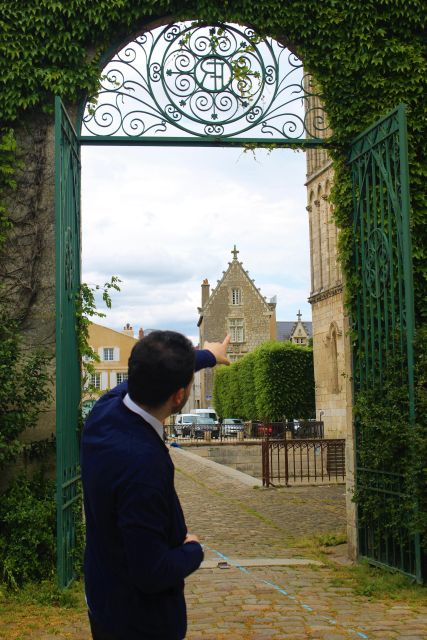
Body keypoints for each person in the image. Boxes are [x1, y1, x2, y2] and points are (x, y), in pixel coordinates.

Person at [81, 331, 230, 640]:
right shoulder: (143, 464)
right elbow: (151, 573)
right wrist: (193, 550)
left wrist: (208, 355)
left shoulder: (105, 410)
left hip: (103, 595)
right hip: (138, 622)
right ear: (179, 396)